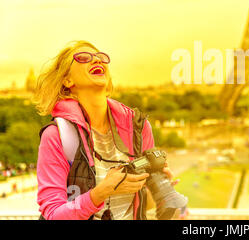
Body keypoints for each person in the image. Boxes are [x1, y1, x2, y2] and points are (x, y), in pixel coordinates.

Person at [33, 40, 180, 220]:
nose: (96, 61)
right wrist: (100, 193)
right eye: (83, 58)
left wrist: (160, 188)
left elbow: (142, 205)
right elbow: (53, 214)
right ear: (67, 80)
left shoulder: (138, 128)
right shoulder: (58, 136)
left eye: (101, 57)